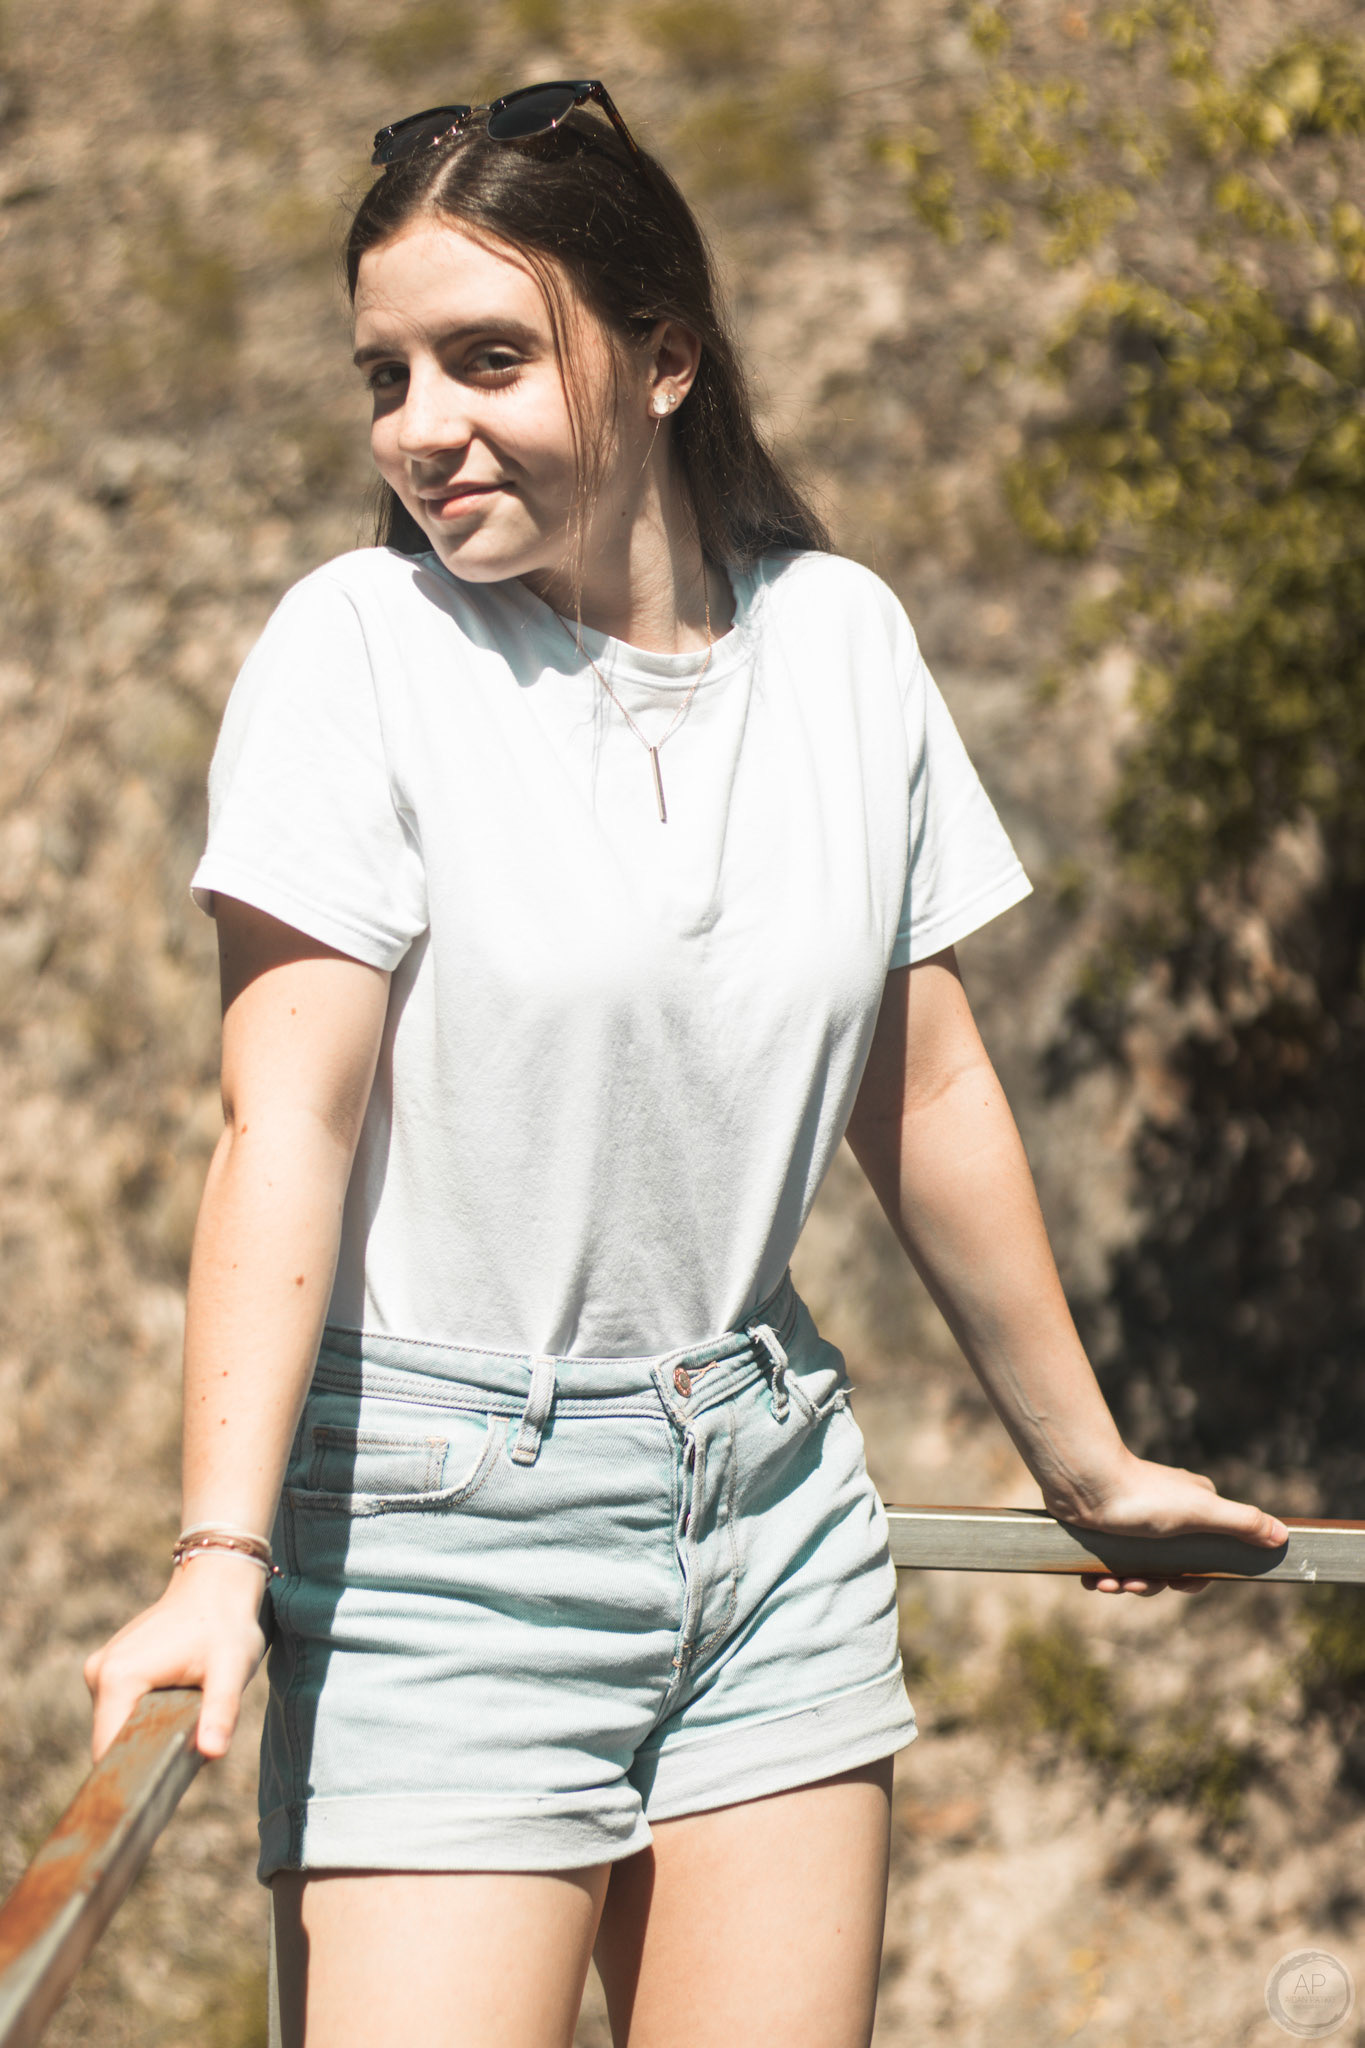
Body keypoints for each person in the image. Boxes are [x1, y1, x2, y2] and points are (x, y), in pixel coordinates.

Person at [84, 80, 1289, 2048]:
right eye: (386, 375)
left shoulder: (843, 645)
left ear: (663, 357)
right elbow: (280, 1123)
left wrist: (1084, 1464)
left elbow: (925, 1085)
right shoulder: (358, 651)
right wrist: (217, 1558)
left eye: (487, 358)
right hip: (437, 1548)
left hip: (771, 1504)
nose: (422, 427)